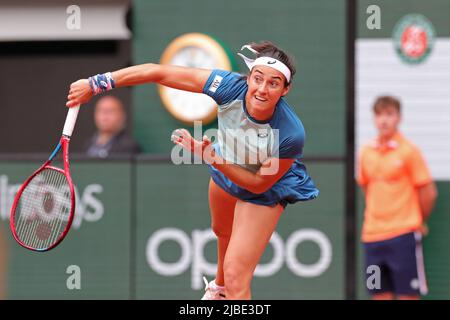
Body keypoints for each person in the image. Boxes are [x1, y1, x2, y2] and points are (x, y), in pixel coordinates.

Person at [66, 41, 319, 300]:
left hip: (264, 187)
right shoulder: (228, 86)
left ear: (285, 90)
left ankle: (226, 288)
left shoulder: (290, 133)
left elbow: (256, 184)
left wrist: (211, 157)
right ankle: (218, 290)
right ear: (249, 78)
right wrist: (96, 83)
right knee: (221, 231)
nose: (262, 89)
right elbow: (158, 72)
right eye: (258, 79)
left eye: (274, 83)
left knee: (236, 277)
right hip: (227, 159)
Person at [357, 96, 438, 300]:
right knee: (378, 294)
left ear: (398, 118)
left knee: (407, 295)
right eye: (379, 114)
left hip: (402, 237)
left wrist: (417, 220)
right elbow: (367, 189)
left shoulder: (409, 152)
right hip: (372, 239)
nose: (383, 120)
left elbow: (429, 193)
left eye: (389, 114)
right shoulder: (365, 152)